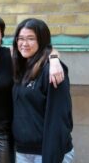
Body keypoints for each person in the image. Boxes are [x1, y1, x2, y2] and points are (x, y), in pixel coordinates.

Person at [0, 15, 65, 163]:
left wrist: (55, 60)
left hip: (6, 128)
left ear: (2, 35)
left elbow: (46, 49)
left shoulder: (12, 53)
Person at [11, 18, 74, 163]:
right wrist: (54, 56)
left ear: (42, 40)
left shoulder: (52, 71)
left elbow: (59, 118)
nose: (24, 43)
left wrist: (51, 157)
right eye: (20, 38)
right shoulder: (21, 66)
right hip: (23, 152)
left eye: (31, 38)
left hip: (47, 153)